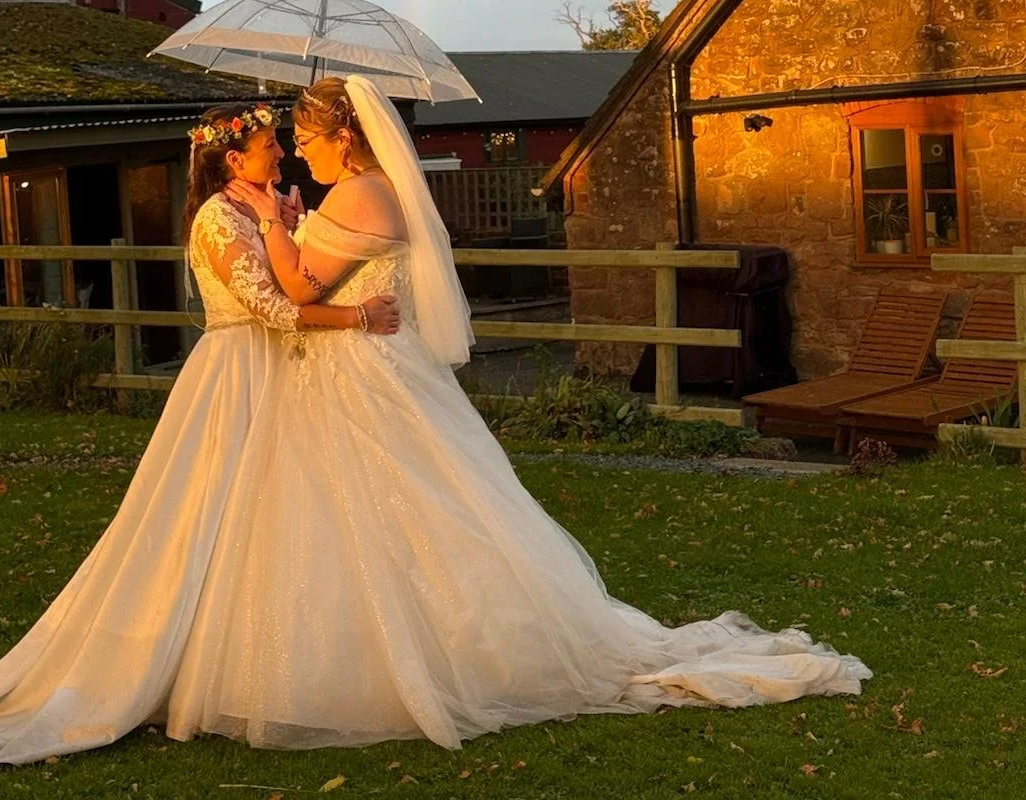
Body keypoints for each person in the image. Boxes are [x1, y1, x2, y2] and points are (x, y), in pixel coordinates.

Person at [205, 75, 871, 750]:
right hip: (359, 368)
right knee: (370, 511)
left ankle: (425, 652)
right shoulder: (361, 192)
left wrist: (266, 217)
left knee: (402, 507)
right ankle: (351, 643)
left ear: (345, 138)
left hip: (366, 375)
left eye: (308, 140)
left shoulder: (359, 192)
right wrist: (293, 224)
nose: (299, 155)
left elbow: (295, 285)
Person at [0, 102, 399, 765]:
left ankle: (260, 654)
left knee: (266, 515)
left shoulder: (257, 208)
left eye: (280, 143)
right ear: (235, 160)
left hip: (274, 377)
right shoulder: (217, 217)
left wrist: (284, 228)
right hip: (236, 373)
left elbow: (287, 276)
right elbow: (273, 308)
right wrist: (355, 314)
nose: (282, 154)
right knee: (205, 512)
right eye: (272, 145)